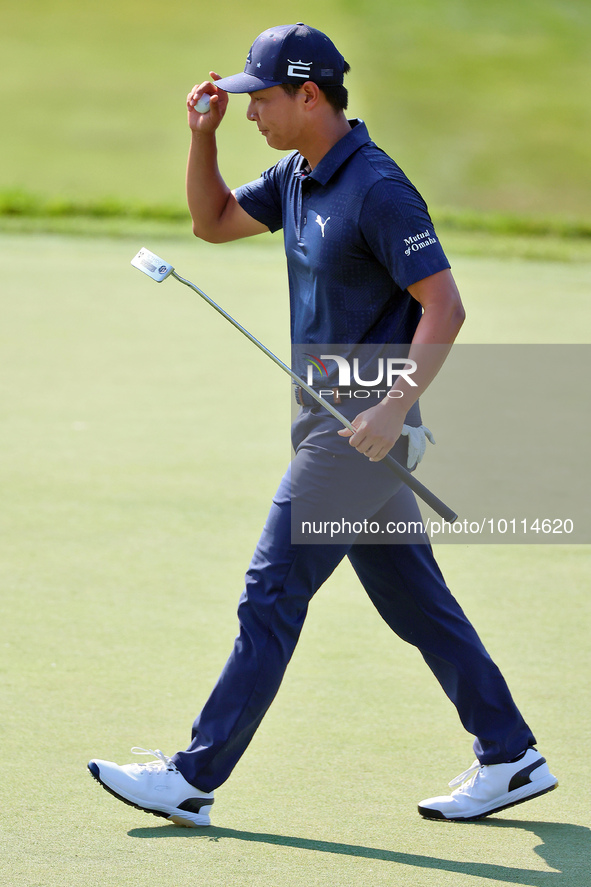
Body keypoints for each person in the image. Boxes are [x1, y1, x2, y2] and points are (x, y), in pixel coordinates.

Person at [88, 23, 557, 826]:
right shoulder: (298, 173)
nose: (250, 114)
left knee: (270, 591)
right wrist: (200, 141)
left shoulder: (376, 189)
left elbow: (443, 304)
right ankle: (509, 752)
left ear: (310, 95)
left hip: (363, 430)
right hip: (327, 419)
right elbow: (214, 222)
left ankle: (193, 774)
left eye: (261, 100)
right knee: (417, 603)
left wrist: (393, 406)